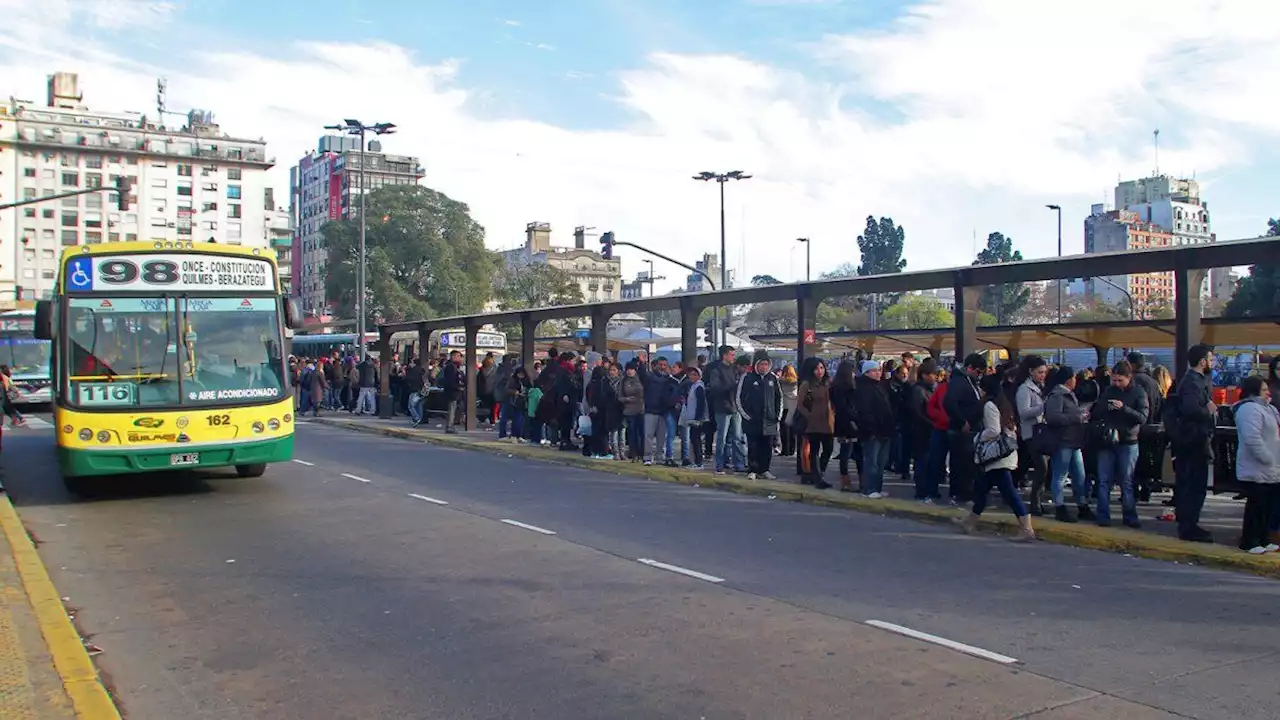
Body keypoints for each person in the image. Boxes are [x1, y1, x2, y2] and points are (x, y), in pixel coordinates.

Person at [959, 372, 1035, 542]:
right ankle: (969, 522)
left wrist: (977, 437)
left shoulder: (989, 405)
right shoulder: (1004, 403)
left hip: (996, 456)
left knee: (1008, 493)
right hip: (1004, 453)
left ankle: (1026, 528)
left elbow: (994, 430)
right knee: (982, 488)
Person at [1167, 344, 1217, 543]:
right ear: (1203, 361)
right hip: (1193, 439)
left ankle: (1189, 523)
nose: (1212, 363)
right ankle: (1189, 526)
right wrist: (1209, 409)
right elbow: (1190, 409)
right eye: (1210, 359)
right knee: (1194, 485)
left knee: (1193, 484)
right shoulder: (1192, 382)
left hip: (1193, 438)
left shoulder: (1194, 381)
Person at [1092, 360, 1149, 528]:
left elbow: (1143, 418)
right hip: (1108, 441)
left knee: (1126, 481)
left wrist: (1124, 408)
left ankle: (1130, 516)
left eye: (1120, 380)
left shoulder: (1139, 392)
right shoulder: (1109, 391)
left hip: (1128, 441)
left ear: (1129, 377)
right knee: (1104, 481)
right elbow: (1097, 412)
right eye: (1114, 380)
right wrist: (1104, 408)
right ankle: (1103, 515)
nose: (1116, 383)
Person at [1233, 376, 1280, 554]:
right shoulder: (1249, 409)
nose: (1268, 392)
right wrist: (1267, 457)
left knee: (1268, 505)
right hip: (1257, 466)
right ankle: (1250, 541)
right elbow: (1252, 439)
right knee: (1256, 505)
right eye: (1263, 390)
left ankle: (1264, 538)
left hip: (1272, 466)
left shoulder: (1269, 409)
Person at [1044, 365, 1094, 523]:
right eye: (1073, 378)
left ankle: (1082, 505)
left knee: (1080, 476)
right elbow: (1053, 418)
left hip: (1074, 441)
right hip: (1063, 441)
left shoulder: (1069, 395)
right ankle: (1060, 506)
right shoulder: (1057, 396)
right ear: (1068, 380)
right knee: (1060, 475)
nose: (1075, 381)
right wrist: (1077, 418)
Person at [735, 353, 782, 479]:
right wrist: (746, 416)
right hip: (752, 420)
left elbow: (779, 398)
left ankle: (765, 469)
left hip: (770, 420)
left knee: (767, 446)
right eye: (761, 364)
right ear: (756, 365)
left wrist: (778, 415)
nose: (764, 367)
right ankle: (752, 470)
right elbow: (739, 398)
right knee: (753, 446)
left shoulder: (773, 378)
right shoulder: (747, 377)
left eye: (766, 364)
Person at [1014, 355, 1050, 515]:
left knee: (1044, 468)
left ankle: (1038, 502)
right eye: (1039, 372)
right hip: (1031, 432)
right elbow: (1023, 412)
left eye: (1044, 372)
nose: (1042, 375)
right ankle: (1035, 503)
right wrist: (1043, 407)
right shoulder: (1024, 389)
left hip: (1042, 432)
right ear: (1030, 372)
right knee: (1041, 468)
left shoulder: (1041, 387)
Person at [854, 359, 896, 498]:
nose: (878, 373)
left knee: (881, 462)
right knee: (871, 461)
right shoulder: (864, 388)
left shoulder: (880, 386)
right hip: (872, 431)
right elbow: (865, 411)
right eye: (875, 370)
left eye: (879, 370)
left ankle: (877, 487)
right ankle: (869, 489)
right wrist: (870, 428)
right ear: (867, 373)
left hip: (884, 430)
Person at [794, 357, 835, 489]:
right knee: (814, 450)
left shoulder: (828, 382)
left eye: (822, 368)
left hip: (828, 421)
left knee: (828, 449)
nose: (820, 371)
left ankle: (820, 472)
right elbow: (800, 405)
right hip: (813, 423)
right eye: (816, 368)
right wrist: (810, 416)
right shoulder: (807, 384)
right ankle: (817, 477)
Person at [706, 345, 746, 474]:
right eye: (732, 355)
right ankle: (720, 464)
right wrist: (732, 385)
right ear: (725, 355)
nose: (733, 357)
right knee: (722, 438)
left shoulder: (735, 370)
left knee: (737, 437)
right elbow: (715, 388)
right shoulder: (716, 371)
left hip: (735, 406)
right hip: (723, 407)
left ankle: (738, 464)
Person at [908, 359, 938, 501]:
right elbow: (916, 412)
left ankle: (928, 490)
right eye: (932, 374)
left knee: (929, 462)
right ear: (924, 375)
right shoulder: (918, 390)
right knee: (922, 463)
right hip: (921, 432)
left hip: (927, 431)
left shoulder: (928, 389)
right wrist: (931, 423)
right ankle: (921, 492)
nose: (935, 377)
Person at [830, 360, 860, 493]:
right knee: (848, 452)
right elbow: (844, 406)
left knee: (846, 452)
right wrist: (854, 417)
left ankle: (846, 480)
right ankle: (846, 481)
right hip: (848, 422)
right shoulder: (846, 387)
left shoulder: (835, 385)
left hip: (841, 422)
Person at [678, 366, 709, 468]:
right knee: (694, 439)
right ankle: (696, 461)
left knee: (696, 440)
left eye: (694, 374)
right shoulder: (693, 386)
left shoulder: (699, 387)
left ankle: (699, 462)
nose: (692, 376)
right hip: (692, 417)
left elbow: (701, 404)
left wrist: (698, 418)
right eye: (691, 374)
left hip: (696, 418)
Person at [779, 364, 799, 457]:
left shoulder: (781, 381)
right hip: (794, 406)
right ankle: (792, 449)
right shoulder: (797, 382)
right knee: (792, 430)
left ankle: (785, 450)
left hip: (784, 406)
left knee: (784, 430)